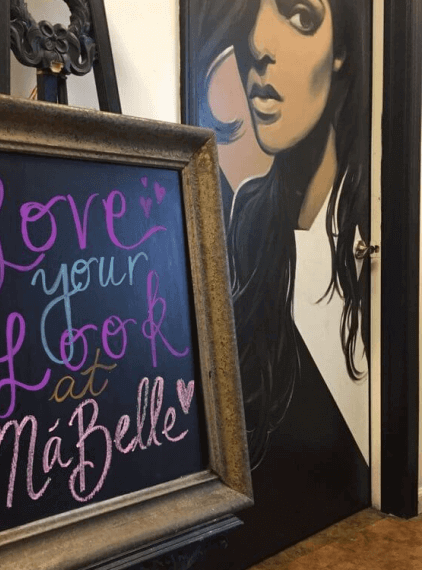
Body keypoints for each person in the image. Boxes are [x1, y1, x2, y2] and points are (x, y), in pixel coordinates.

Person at [196, 0, 371, 468]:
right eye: (249, 15)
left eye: (299, 16)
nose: (257, 44)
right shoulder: (249, 219)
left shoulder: (371, 221)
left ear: (341, 51)